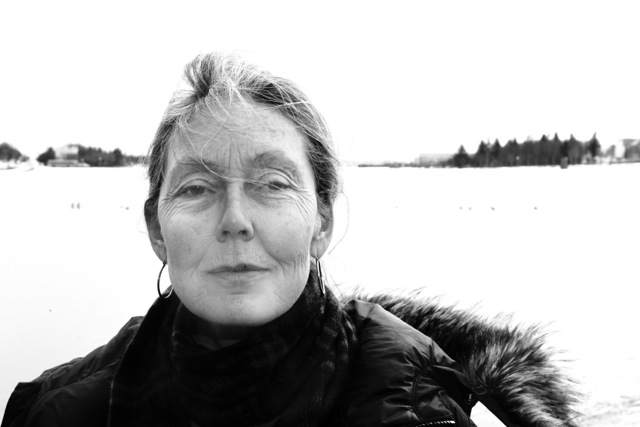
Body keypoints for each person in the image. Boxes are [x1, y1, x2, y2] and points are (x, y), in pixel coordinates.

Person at [2, 52, 580, 427]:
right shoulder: (54, 413)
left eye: (272, 184)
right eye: (197, 188)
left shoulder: (425, 408)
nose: (235, 219)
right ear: (157, 229)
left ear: (321, 223)